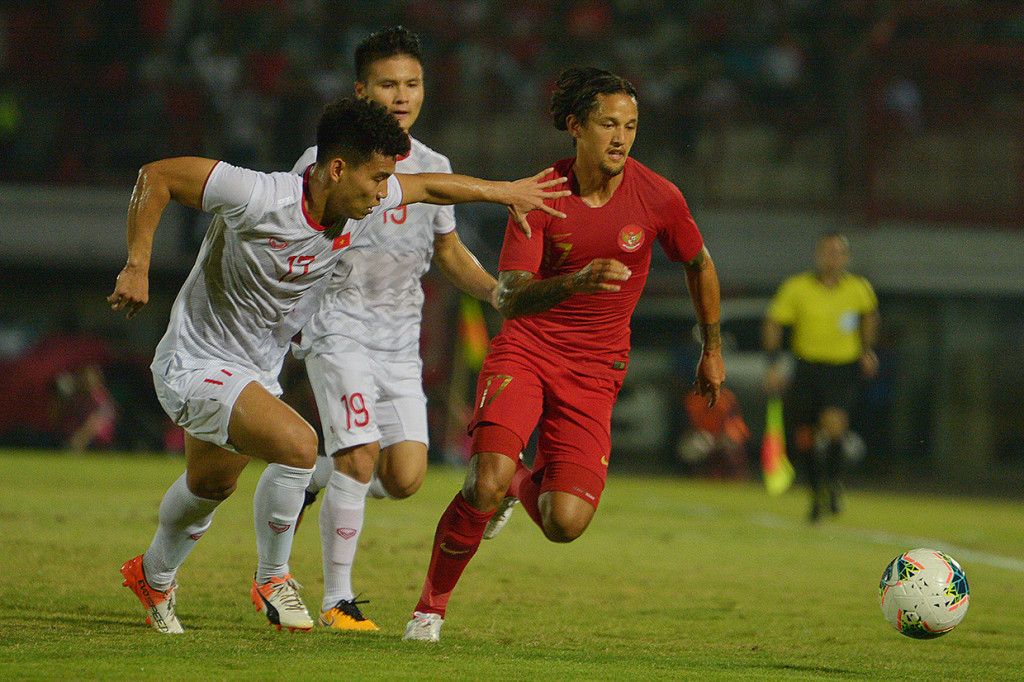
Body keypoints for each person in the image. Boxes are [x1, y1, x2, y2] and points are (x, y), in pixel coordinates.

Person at [108, 96, 569, 634]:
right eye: (376, 180)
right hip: (193, 361)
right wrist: (137, 264)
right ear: (336, 169)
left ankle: (153, 575)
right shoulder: (261, 195)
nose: (383, 194)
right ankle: (273, 578)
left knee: (209, 485)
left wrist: (504, 192)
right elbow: (157, 176)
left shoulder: (361, 201)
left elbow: (431, 188)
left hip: (253, 371)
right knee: (300, 445)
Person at [403, 66, 725, 642]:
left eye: (630, 125)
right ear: (576, 127)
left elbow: (699, 265)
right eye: (608, 124)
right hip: (526, 352)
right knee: (483, 480)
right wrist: (576, 282)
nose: (621, 137)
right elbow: (511, 300)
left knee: (564, 523)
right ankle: (430, 609)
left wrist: (712, 349)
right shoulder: (537, 196)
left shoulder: (658, 197)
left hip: (596, 372)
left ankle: (517, 486)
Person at [288, 26, 501, 631]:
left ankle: (309, 476)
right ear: (361, 91)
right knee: (360, 456)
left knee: (404, 477)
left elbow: (450, 251)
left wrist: (496, 292)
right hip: (337, 327)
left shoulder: (435, 167)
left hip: (399, 343)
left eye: (412, 84)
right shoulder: (321, 163)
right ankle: (337, 600)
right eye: (388, 84)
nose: (402, 95)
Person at [761, 232, 879, 522]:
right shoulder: (797, 287)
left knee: (835, 426)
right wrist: (773, 363)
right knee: (807, 437)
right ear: (818, 255)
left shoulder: (859, 288)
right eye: (827, 251)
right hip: (807, 367)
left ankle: (835, 482)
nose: (832, 257)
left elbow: (869, 317)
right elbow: (774, 322)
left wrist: (867, 351)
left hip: (842, 367)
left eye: (838, 252)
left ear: (846, 257)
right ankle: (816, 494)